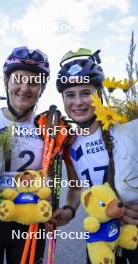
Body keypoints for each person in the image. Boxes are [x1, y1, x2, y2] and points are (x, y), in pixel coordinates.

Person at [0, 46, 81, 264]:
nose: (25, 88)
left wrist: (70, 210)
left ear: (42, 89)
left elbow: (76, 180)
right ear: (6, 82)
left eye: (34, 82)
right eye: (18, 79)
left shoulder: (50, 128)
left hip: (30, 221)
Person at [56, 48, 138, 264]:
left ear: (100, 94)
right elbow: (75, 187)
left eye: (86, 93)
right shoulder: (69, 142)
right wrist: (69, 210)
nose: (78, 102)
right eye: (70, 95)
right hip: (101, 235)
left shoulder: (123, 129)